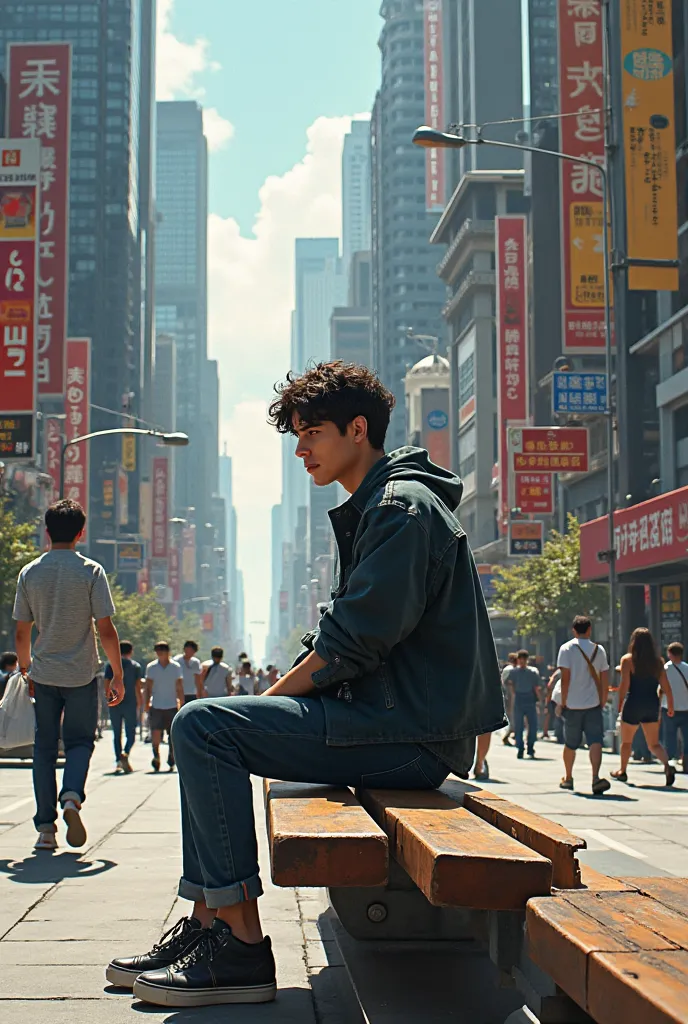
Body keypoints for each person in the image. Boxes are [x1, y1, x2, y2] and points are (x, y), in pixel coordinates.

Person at [107, 360, 504, 1006]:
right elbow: (345, 636)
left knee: (203, 728)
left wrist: (260, 707)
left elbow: (353, 640)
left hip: (410, 735)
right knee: (210, 725)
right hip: (394, 722)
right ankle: (209, 921)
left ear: (357, 429)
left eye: (311, 433)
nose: (300, 450)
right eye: (296, 435)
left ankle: (240, 948)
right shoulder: (381, 503)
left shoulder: (401, 509)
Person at [13, 499, 123, 852]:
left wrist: (26, 667)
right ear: (81, 532)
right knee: (79, 742)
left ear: (46, 532)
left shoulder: (30, 573)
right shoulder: (91, 571)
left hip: (44, 673)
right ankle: (72, 796)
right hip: (81, 674)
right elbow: (105, 629)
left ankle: (46, 829)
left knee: (44, 749)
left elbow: (21, 631)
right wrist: (116, 674)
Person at [611, 627, 675, 786]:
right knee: (654, 744)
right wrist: (671, 706)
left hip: (633, 703)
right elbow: (666, 687)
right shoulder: (658, 662)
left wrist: (619, 705)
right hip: (651, 703)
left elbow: (624, 685)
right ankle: (668, 765)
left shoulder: (627, 660)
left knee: (626, 742)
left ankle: (623, 770)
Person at [557, 616, 611, 794]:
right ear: (589, 630)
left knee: (570, 743)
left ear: (574, 630)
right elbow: (604, 678)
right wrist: (603, 699)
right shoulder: (599, 650)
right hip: (593, 704)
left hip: (572, 705)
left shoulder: (566, 649)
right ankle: (595, 777)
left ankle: (568, 777)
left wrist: (563, 701)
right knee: (595, 740)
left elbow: (565, 678)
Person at [145, 642, 184, 773]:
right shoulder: (151, 667)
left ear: (168, 652)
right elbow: (148, 687)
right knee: (155, 732)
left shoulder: (175, 667)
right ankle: (156, 756)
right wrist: (146, 704)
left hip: (172, 705)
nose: (160, 653)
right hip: (156, 705)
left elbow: (179, 686)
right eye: (158, 651)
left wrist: (182, 704)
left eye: (162, 651)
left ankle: (171, 756)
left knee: (172, 734)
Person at [106, 641, 143, 774]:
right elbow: (137, 687)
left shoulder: (110, 665)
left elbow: (106, 684)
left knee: (116, 733)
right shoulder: (136, 666)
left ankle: (118, 761)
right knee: (131, 732)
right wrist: (140, 702)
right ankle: (126, 753)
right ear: (131, 651)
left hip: (115, 702)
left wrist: (108, 699)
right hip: (130, 702)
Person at [506, 650, 541, 759]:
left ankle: (530, 746)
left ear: (527, 660)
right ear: (518, 660)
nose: (522, 662)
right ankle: (520, 747)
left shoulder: (532, 672)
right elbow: (509, 684)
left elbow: (537, 687)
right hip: (519, 698)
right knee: (518, 725)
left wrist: (539, 700)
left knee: (533, 725)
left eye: (524, 659)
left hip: (530, 698)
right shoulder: (513, 672)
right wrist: (513, 695)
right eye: (520, 659)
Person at [663, 642, 688, 771]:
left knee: (670, 736)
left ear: (670, 654)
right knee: (687, 736)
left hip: (669, 708)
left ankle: (670, 762)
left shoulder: (665, 669)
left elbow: (660, 689)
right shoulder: (687, 668)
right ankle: (686, 761)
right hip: (686, 708)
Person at [500, 653, 517, 745]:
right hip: (509, 696)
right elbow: (506, 684)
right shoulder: (510, 670)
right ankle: (506, 736)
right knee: (512, 719)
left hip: (511, 696)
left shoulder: (511, 669)